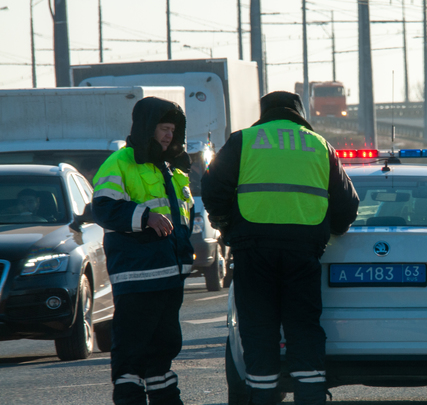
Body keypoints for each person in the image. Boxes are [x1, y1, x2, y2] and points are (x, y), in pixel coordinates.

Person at [201, 91, 359, 405]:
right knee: (304, 327)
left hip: (252, 251)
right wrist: (335, 228)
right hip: (303, 252)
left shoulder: (243, 140)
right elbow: (347, 203)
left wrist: (225, 223)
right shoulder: (318, 144)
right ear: (299, 112)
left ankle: (262, 397)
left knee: (258, 328)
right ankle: (311, 397)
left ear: (264, 112)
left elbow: (212, 186)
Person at [92, 96, 194, 405]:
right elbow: (104, 208)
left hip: (169, 274)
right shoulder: (121, 162)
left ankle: (166, 399)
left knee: (164, 344)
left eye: (173, 129)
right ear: (148, 127)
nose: (169, 136)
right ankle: (129, 397)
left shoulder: (171, 168)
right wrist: (144, 217)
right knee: (132, 345)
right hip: (137, 274)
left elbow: (183, 216)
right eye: (164, 128)